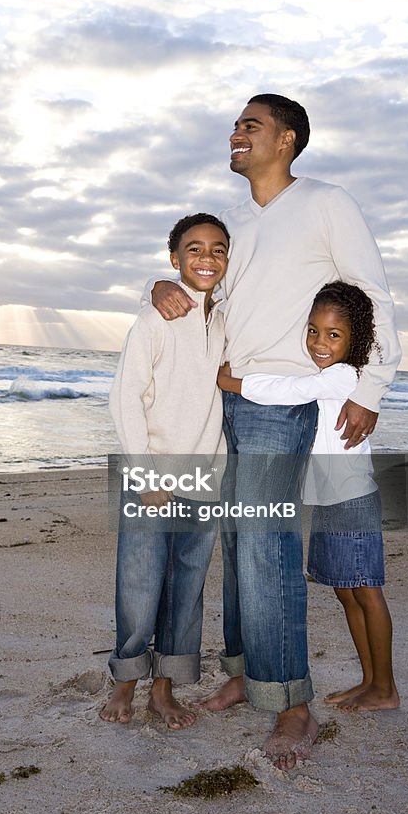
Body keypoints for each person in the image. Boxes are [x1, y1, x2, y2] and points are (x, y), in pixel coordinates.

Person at [151, 94, 401, 769]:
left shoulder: (326, 203)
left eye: (250, 125)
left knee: (266, 551)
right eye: (235, 125)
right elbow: (210, 293)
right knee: (238, 546)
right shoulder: (230, 220)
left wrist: (371, 386)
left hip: (278, 402)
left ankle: (290, 704)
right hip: (222, 395)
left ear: (286, 140)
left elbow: (369, 293)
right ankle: (246, 672)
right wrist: (162, 288)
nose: (236, 133)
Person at [217, 281, 400, 713]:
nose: (319, 342)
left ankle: (385, 687)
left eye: (333, 334)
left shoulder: (344, 377)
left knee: (367, 592)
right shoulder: (325, 374)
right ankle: (370, 680)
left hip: (351, 499)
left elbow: (286, 390)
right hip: (330, 501)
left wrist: (230, 381)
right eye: (313, 330)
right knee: (347, 592)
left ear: (356, 340)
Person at [100, 213, 229, 730]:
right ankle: (125, 682)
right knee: (138, 585)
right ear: (174, 259)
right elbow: (124, 396)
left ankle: (164, 689)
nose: (206, 258)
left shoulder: (224, 319)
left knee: (187, 588)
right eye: (193, 249)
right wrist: (144, 474)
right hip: (150, 476)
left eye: (218, 250)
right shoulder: (155, 318)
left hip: (205, 479)